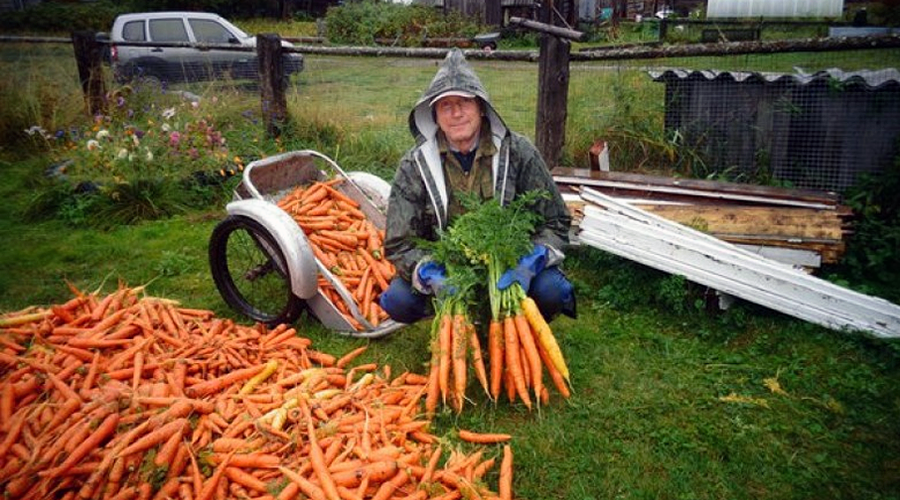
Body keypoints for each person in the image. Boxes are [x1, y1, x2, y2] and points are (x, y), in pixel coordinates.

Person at [379, 48, 576, 324]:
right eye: (445, 105)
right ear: (434, 115)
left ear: (481, 108)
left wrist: (532, 260)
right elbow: (398, 243)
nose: (456, 112)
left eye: (464, 102)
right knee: (397, 301)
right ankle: (456, 322)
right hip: (450, 269)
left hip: (509, 265)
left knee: (552, 290)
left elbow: (557, 221)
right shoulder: (415, 165)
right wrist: (429, 271)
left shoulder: (518, 152)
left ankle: (520, 325)